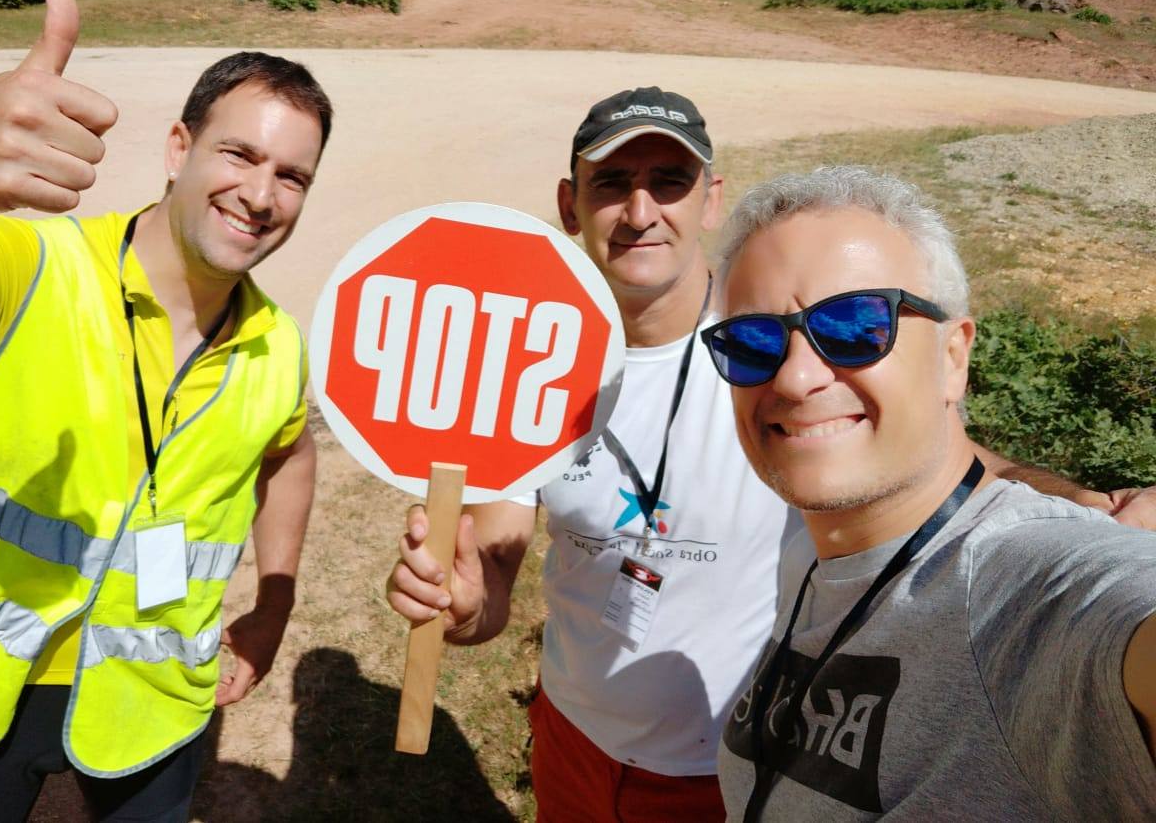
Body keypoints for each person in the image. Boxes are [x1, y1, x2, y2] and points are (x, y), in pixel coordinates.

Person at [384, 90, 1128, 821]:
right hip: (572, 737)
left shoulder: (764, 356)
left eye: (668, 182)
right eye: (612, 183)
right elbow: (497, 560)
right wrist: (471, 601)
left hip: (730, 766)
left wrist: (1092, 506)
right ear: (569, 204)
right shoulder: (540, 363)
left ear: (709, 201)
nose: (641, 212)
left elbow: (949, 463)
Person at [0, 0, 326, 822]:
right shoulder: (32, 265)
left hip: (153, 695)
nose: (261, 195)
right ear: (179, 147)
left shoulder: (279, 345)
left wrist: (275, 606)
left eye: (291, 176)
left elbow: (288, 454)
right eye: (239, 155)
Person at [710, 166, 1156, 820]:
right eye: (753, 341)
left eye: (856, 326)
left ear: (953, 357)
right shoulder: (814, 546)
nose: (796, 376)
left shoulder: (1025, 592)